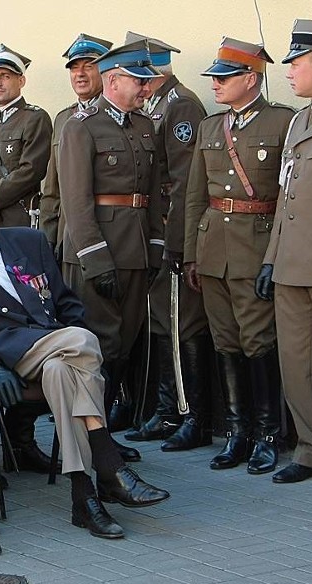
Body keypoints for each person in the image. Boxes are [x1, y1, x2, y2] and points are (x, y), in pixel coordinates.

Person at [0, 171, 170, 539]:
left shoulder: (28, 241)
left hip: (53, 346)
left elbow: (65, 301)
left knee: (62, 373)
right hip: (2, 350)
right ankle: (107, 461)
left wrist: (69, 331)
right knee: (84, 343)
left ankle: (84, 499)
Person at [184, 38, 293, 474]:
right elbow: (196, 195)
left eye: (224, 77)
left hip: (256, 245)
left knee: (258, 341)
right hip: (214, 250)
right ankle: (237, 431)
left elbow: (288, 196)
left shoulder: (282, 121)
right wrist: (192, 253)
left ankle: (268, 434)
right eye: (214, 77)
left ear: (251, 79)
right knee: (225, 340)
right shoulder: (211, 128)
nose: (215, 84)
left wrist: (277, 255)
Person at [59, 40, 168, 464]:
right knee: (97, 347)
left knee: (123, 344)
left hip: (137, 250)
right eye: (138, 81)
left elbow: (154, 194)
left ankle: (103, 435)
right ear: (114, 79)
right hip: (98, 253)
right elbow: (76, 200)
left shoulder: (144, 126)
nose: (145, 88)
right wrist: (95, 257)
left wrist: (156, 245)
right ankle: (92, 441)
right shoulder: (80, 127)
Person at [257, 19, 312, 489]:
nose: (289, 71)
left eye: (295, 62)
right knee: (297, 363)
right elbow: (285, 197)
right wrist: (271, 259)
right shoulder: (299, 120)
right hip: (292, 266)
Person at [123, 33, 213, 452]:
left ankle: (190, 413)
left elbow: (183, 184)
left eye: (138, 72)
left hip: (170, 234)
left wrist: (176, 243)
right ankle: (165, 409)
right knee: (162, 321)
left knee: (180, 323)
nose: (135, 83)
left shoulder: (180, 106)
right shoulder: (156, 105)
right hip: (153, 232)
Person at [42, 33, 112, 253]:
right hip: (67, 232)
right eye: (74, 68)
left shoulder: (118, 115)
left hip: (108, 230)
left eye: (88, 66)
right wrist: (48, 238)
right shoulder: (63, 119)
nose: (80, 74)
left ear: (105, 70)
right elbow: (52, 188)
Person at [0, 44, 52, 228]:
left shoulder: (35, 118)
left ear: (21, 81)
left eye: (6, 76)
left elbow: (31, 171)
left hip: (18, 218)